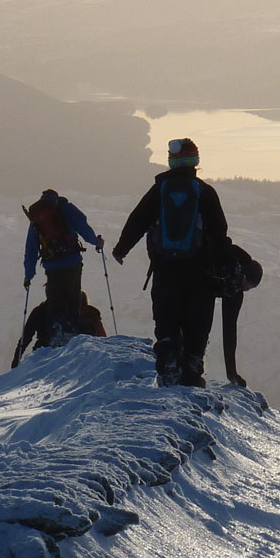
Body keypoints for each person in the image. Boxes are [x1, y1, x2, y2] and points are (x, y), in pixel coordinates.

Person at [112, 138, 230, 387]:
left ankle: (168, 359)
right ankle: (192, 366)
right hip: (200, 271)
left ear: (171, 160)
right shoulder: (205, 192)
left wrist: (121, 248)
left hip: (165, 268)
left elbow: (138, 219)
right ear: (195, 161)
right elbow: (219, 232)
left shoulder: (160, 190)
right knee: (197, 319)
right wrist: (222, 267)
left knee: (166, 316)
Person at [23, 188, 104, 340]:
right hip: (72, 263)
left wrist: (29, 275)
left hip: (52, 267)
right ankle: (71, 332)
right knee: (73, 299)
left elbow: (31, 248)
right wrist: (96, 241)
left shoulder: (36, 218)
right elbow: (83, 227)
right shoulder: (66, 208)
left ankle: (55, 333)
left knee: (55, 302)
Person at [212, 244, 263, 387]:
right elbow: (229, 331)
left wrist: (231, 373)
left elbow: (229, 330)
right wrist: (232, 373)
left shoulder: (227, 256)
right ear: (247, 278)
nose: (246, 290)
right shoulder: (235, 286)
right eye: (249, 286)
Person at [11, 292, 106, 368]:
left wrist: (16, 361)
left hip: (42, 355)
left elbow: (26, 337)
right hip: (82, 358)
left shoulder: (40, 311)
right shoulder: (90, 313)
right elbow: (102, 338)